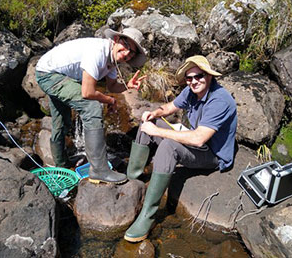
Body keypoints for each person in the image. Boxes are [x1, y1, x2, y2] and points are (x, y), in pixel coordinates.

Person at [123, 55, 237, 242]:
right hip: (197, 142)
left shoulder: (220, 101)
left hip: (213, 154)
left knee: (169, 146)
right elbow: (169, 107)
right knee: (149, 122)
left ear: (208, 75)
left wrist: (158, 131)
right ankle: (132, 180)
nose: (194, 81)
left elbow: (199, 139)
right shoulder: (191, 91)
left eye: (198, 76)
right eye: (189, 78)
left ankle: (147, 216)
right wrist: (154, 113)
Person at [35, 27, 148, 184]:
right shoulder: (98, 52)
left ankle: (62, 164)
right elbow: (87, 92)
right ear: (116, 40)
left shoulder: (112, 61)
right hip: (49, 75)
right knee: (92, 106)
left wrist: (128, 85)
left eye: (132, 54)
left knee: (61, 120)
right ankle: (99, 170)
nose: (126, 55)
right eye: (126, 47)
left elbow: (112, 87)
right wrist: (109, 100)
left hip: (58, 74)